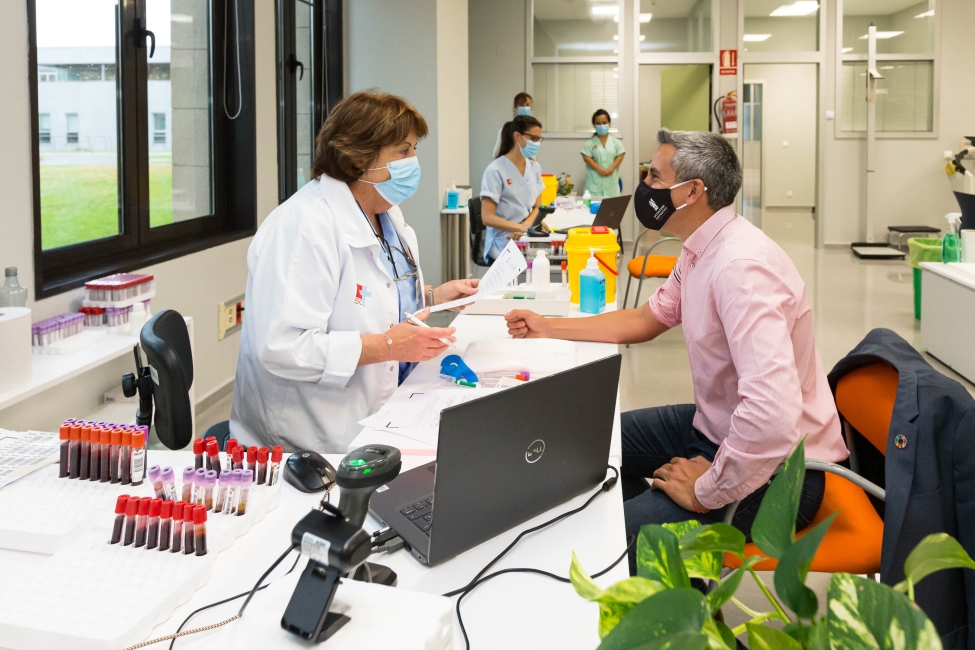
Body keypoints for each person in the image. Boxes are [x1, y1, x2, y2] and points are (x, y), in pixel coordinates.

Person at [504, 129, 848, 574]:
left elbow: (771, 416)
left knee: (607, 541)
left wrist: (704, 490)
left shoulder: (740, 269)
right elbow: (647, 318)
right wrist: (548, 327)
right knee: (592, 441)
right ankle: (672, 561)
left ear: (691, 191)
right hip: (721, 426)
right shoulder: (701, 249)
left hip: (782, 469)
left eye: (654, 175)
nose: (645, 184)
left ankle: (660, 576)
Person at [230, 90, 480, 453]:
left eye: (413, 150)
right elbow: (282, 346)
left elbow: (370, 295)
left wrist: (433, 297)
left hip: (386, 408)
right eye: (403, 151)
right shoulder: (304, 226)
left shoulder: (386, 213)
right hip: (312, 439)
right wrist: (389, 345)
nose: (413, 162)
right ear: (359, 157)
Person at [480, 114, 545, 263]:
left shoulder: (534, 167)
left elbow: (538, 206)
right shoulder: (495, 170)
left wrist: (527, 226)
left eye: (539, 139)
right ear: (518, 136)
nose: (537, 143)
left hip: (525, 235)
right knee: (525, 267)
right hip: (502, 239)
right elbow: (487, 217)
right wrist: (521, 227)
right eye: (533, 139)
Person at [581, 109, 625, 198]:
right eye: (598, 123)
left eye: (604, 122)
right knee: (593, 211)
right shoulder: (590, 143)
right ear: (594, 125)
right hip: (594, 188)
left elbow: (620, 155)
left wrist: (612, 168)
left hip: (611, 188)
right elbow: (586, 157)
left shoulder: (615, 142)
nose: (602, 125)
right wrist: (598, 169)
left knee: (612, 211)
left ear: (609, 123)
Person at [493, 92, 533, 158]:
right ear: (515, 107)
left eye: (527, 105)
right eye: (522, 105)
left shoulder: (532, 129)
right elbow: (496, 154)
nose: (525, 108)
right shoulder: (506, 128)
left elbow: (533, 155)